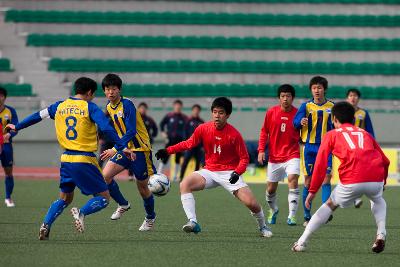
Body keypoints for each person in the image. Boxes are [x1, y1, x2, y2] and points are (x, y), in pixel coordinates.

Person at [6, 77, 130, 240]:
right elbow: (106, 127)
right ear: (89, 92)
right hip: (84, 159)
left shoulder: (59, 106)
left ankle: (46, 224)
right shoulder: (89, 107)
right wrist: (121, 145)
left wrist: (18, 126)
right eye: (93, 94)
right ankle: (81, 213)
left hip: (66, 159)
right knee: (104, 197)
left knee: (65, 198)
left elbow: (38, 115)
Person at [155, 97, 273, 237]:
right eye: (215, 112)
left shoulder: (234, 135)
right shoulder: (203, 128)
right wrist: (167, 150)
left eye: (221, 113)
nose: (217, 115)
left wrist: (237, 172)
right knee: (184, 184)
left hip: (229, 173)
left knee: (251, 203)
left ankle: (263, 226)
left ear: (228, 115)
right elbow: (188, 143)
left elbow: (244, 158)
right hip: (209, 171)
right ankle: (193, 222)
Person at [292, 102, 389, 253]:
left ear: (334, 119)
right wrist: (384, 180)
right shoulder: (364, 133)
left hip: (352, 180)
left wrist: (312, 191)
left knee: (330, 205)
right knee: (378, 200)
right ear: (352, 118)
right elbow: (385, 160)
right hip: (375, 177)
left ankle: (301, 242)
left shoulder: (331, 134)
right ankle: (381, 233)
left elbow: (320, 164)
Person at [100, 74, 157, 231]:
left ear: (119, 90)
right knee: (105, 176)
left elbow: (131, 131)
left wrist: (114, 148)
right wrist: (121, 147)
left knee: (143, 188)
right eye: (107, 89)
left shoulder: (128, 104)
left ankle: (150, 217)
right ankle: (123, 204)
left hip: (140, 150)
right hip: (125, 148)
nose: (110, 92)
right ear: (104, 91)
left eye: (113, 89)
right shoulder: (109, 107)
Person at [293, 76, 334, 226]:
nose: (317, 90)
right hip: (309, 147)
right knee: (309, 181)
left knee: (327, 177)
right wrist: (300, 122)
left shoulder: (332, 106)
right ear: (311, 90)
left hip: (326, 147)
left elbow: (337, 125)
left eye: (320, 87)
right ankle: (307, 215)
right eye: (314, 88)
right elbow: (295, 122)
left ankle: (325, 212)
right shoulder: (306, 106)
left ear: (324, 89)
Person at [258, 84, 300, 226]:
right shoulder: (271, 112)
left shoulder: (299, 113)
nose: (285, 99)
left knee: (293, 179)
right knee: (270, 189)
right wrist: (261, 150)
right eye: (283, 96)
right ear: (279, 98)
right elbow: (264, 132)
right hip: (275, 157)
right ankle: (273, 209)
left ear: (292, 98)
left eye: (288, 96)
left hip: (292, 154)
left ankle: (292, 216)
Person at [346, 88, 375, 208]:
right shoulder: (344, 112)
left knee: (357, 170)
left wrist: (372, 144)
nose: (353, 98)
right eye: (351, 95)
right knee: (350, 170)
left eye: (355, 96)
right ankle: (354, 196)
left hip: (360, 146)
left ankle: (355, 196)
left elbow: (369, 130)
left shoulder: (363, 113)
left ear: (358, 98)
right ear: (347, 98)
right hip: (346, 145)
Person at [158, 99, 188, 181]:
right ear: (174, 106)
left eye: (179, 105)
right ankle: (158, 174)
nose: (177, 107)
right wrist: (163, 133)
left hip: (179, 142)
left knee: (178, 159)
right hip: (170, 140)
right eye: (176, 105)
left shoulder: (184, 118)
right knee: (165, 157)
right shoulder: (169, 116)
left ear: (181, 107)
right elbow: (161, 124)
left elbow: (188, 129)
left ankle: (175, 176)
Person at [0, 87, 19, 207]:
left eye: (1, 95)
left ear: (4, 97)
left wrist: (9, 134)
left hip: (6, 146)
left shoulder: (10, 111)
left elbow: (16, 127)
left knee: (8, 173)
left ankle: (8, 197)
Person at [179, 104, 204, 181]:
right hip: (190, 146)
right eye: (195, 110)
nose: (196, 111)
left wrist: (203, 146)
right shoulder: (188, 121)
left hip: (198, 147)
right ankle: (181, 178)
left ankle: (194, 180)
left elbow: (204, 135)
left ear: (199, 111)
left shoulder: (201, 122)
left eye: (197, 110)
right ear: (192, 111)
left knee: (197, 164)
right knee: (185, 162)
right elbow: (184, 133)